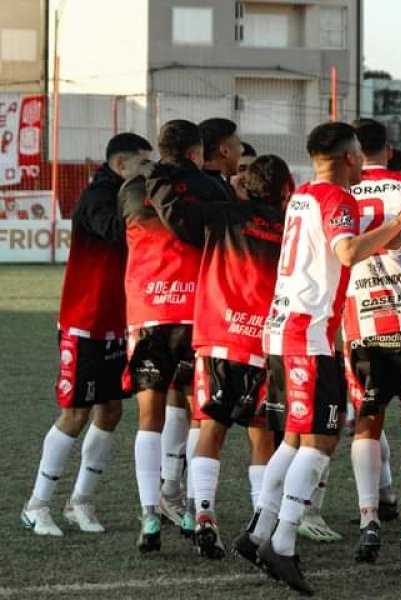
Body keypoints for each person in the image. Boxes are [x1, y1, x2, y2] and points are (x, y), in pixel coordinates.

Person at [233, 122, 401, 595]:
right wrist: (397, 223)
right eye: (357, 154)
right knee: (321, 439)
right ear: (349, 157)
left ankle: (257, 533)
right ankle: (284, 541)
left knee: (295, 438)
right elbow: (349, 251)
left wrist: (384, 237)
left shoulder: (302, 196)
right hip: (307, 333)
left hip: (282, 328)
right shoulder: (338, 198)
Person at [151, 154, 292, 559]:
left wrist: (163, 171)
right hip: (263, 346)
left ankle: (205, 514)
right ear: (285, 189)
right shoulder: (289, 229)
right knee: (261, 433)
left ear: (247, 185)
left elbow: (174, 214)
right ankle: (261, 518)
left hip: (217, 339)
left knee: (210, 427)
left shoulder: (223, 215)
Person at [21, 133, 152, 536]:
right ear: (122, 164)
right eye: (144, 163)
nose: (150, 170)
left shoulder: (128, 193)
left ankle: (80, 501)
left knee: (111, 409)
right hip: (85, 322)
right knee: (76, 413)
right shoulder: (98, 197)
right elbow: (116, 231)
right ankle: (37, 504)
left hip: (116, 321)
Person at [119, 119, 234, 552]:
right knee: (196, 414)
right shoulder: (211, 187)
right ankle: (191, 506)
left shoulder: (130, 188)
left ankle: (150, 514)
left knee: (149, 417)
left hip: (146, 312)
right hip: (197, 316)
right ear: (194, 152)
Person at [343, 118, 401, 564]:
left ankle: (368, 520)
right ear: (391, 148)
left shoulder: (339, 194)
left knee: (367, 418)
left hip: (359, 313)